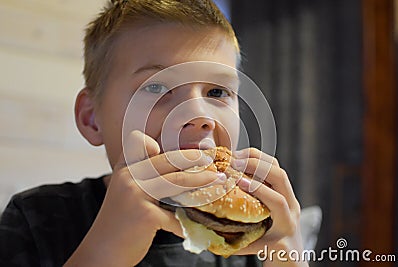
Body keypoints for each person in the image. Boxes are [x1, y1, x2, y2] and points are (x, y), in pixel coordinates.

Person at [0, 0, 307, 266]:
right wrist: (102, 255)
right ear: (92, 119)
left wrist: (290, 258)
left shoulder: (250, 238)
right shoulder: (35, 219)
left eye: (217, 91)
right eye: (157, 87)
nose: (199, 115)